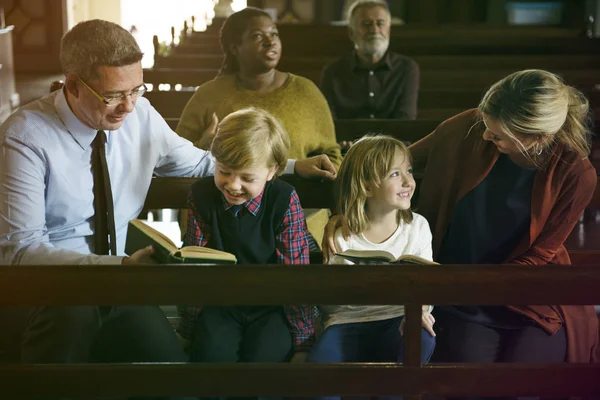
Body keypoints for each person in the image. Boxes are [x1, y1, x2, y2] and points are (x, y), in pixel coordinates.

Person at [0, 19, 334, 374]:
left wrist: (289, 167)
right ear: (72, 85)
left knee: (175, 378)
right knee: (65, 375)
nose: (128, 107)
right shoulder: (25, 137)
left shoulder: (140, 116)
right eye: (113, 95)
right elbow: (20, 251)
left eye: (136, 90)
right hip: (53, 293)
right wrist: (121, 266)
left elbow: (207, 164)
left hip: (121, 287)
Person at [323, 69, 600, 380]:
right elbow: (379, 171)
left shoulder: (576, 173)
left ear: (537, 138)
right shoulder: (471, 125)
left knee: (525, 381)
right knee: (468, 379)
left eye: (497, 135)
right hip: (458, 290)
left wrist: (473, 283)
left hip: (528, 292)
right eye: (486, 125)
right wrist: (345, 214)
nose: (484, 136)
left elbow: (538, 257)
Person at [175, 6, 342, 248]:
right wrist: (204, 147)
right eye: (257, 36)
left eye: (273, 34)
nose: (269, 42)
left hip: (299, 218)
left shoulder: (306, 93)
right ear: (235, 47)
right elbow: (180, 157)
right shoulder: (209, 95)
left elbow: (332, 157)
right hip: (222, 221)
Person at [177, 107, 317, 366]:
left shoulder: (284, 200)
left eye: (247, 177)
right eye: (224, 171)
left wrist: (303, 341)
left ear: (272, 171)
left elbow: (295, 275)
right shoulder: (201, 196)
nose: (233, 185)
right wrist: (188, 329)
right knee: (211, 357)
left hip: (273, 306)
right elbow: (196, 266)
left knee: (265, 362)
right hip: (221, 304)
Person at [307, 135, 436, 400]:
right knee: (320, 372)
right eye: (395, 174)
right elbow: (329, 304)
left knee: (423, 337)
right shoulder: (341, 235)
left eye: (408, 171)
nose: (408, 181)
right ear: (366, 187)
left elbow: (428, 284)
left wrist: (421, 310)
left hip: (396, 321)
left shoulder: (418, 227)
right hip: (348, 323)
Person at [320, 0, 419, 120]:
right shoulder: (333, 72)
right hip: (347, 139)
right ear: (351, 33)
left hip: (393, 139)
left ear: (389, 30)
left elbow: (405, 119)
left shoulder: (406, 68)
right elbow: (329, 122)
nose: (374, 30)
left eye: (380, 23)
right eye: (366, 24)